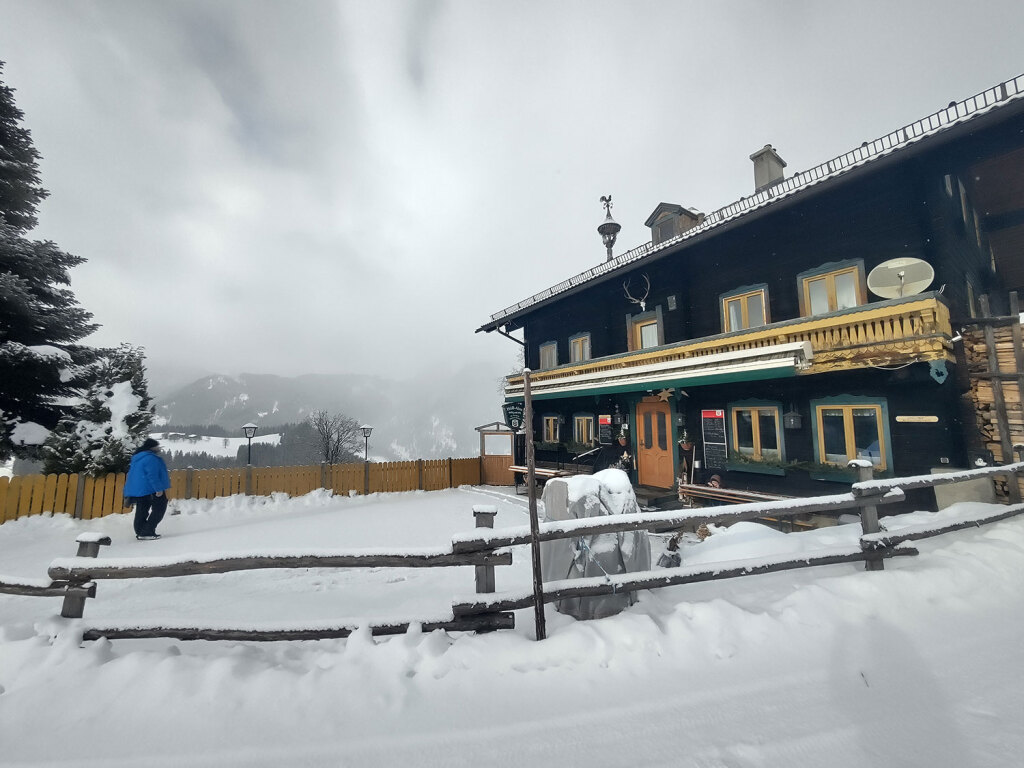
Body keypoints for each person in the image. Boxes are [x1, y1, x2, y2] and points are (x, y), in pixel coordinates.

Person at [123, 437, 171, 540]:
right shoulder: (150, 458)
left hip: (140, 490)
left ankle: (141, 531)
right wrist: (158, 489)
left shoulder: (138, 458)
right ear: (152, 447)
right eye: (157, 446)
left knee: (142, 510)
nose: (158, 448)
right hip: (150, 489)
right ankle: (147, 532)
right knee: (159, 508)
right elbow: (152, 475)